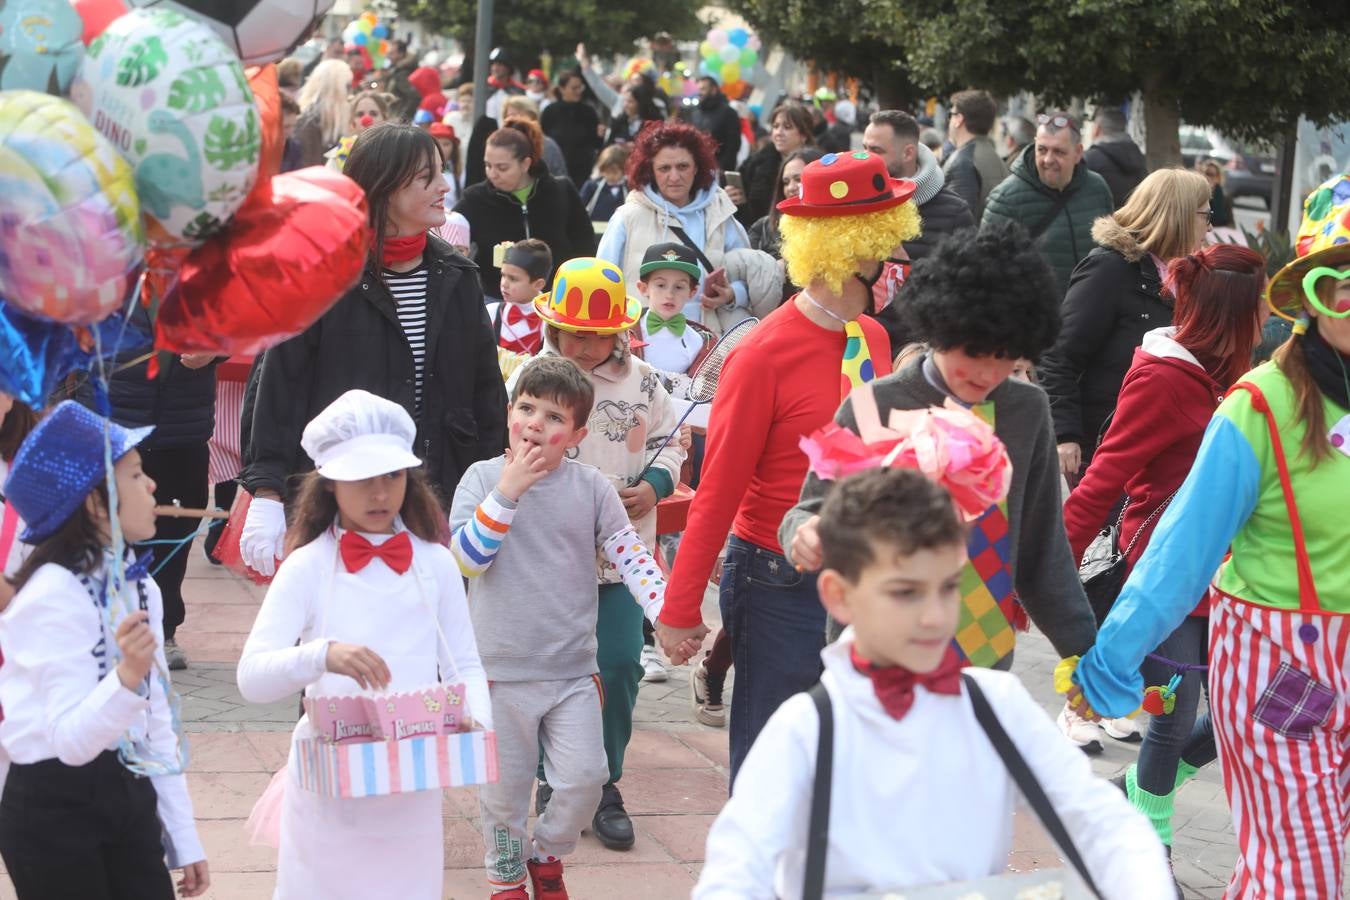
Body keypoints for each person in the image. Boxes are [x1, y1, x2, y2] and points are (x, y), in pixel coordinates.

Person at [696, 466, 1171, 898]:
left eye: (948, 587)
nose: (933, 616)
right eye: (905, 592)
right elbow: (736, 872)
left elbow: (1100, 822)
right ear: (839, 596)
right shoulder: (807, 729)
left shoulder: (996, 705)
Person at [1068, 172, 1350, 898]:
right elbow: (1177, 552)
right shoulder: (1259, 408)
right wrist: (1106, 663)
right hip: (1287, 671)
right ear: (1310, 296)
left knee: (1280, 871)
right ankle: (1147, 814)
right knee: (1300, 874)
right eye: (1341, 283)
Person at [779, 223, 1098, 750]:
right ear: (941, 325)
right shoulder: (874, 404)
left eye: (1007, 355)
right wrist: (807, 532)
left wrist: (1084, 653)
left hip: (979, 663)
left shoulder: (1026, 412)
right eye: (975, 351)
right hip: (873, 657)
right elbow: (809, 509)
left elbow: (1043, 552)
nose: (989, 371)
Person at [654, 152, 915, 780]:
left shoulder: (872, 339)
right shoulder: (762, 354)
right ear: (857, 250)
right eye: (891, 248)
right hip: (778, 581)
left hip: (861, 576)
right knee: (774, 768)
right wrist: (680, 607)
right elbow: (718, 488)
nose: (898, 266)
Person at [449, 357, 693, 898]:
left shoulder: (592, 489)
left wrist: (669, 616)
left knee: (586, 779)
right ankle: (506, 876)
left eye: (554, 416)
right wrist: (508, 493)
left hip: (573, 673)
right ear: (509, 413)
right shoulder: (482, 479)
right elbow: (466, 561)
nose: (537, 423)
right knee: (504, 795)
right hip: (499, 674)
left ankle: (548, 855)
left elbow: (632, 556)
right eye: (527, 408)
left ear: (577, 434)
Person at [236, 390, 489, 898]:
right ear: (330, 485)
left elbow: (463, 661)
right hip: (332, 785)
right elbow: (252, 678)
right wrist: (321, 655)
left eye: (392, 476)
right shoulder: (306, 566)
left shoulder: (435, 563)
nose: (379, 494)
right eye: (362, 479)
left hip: (411, 780)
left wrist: (477, 721)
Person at [1062, 244, 1266, 858]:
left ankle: (1127, 798)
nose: (1266, 319)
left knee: (1239, 712)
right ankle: (1149, 846)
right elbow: (1102, 480)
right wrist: (1038, 583)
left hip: (1227, 578)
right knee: (1174, 718)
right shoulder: (1162, 378)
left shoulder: (1238, 375)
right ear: (1234, 314)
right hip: (1163, 577)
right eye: (1257, 307)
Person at [240, 125, 508, 578]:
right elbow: (278, 385)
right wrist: (265, 492)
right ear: (384, 187)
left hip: (435, 495)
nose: (445, 188)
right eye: (428, 178)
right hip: (336, 495)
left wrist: (497, 485)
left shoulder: (457, 277)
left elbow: (486, 394)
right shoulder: (321, 275)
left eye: (442, 174)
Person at [504, 259, 685, 851]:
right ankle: (548, 781)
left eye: (595, 332)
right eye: (571, 331)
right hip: (546, 559)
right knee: (544, 671)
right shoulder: (529, 378)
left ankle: (605, 781)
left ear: (617, 331)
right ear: (553, 326)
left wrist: (654, 483)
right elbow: (508, 443)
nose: (582, 344)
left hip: (621, 559)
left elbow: (671, 441)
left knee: (618, 664)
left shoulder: (647, 383)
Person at [0, 402, 209, 899]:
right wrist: (127, 678)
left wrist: (181, 836)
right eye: (136, 475)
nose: (153, 486)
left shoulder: (143, 589)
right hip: (52, 807)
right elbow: (70, 742)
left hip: (128, 789)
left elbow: (157, 720)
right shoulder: (51, 594)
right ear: (96, 503)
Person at [1038, 168, 1213, 481]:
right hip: (1107, 448)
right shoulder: (1110, 269)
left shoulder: (1187, 275)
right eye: (1205, 214)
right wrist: (1065, 434)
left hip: (1161, 447)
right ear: (1179, 216)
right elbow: (1059, 356)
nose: (1209, 227)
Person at [80, 326, 218, 671]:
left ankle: (164, 629)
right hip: (113, 420)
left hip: (183, 424)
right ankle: (103, 626)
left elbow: (238, 320)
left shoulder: (205, 272)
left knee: (177, 529)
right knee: (104, 532)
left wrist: (215, 347)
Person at [597, 121, 761, 336]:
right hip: (639, 344)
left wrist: (732, 294)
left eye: (682, 166)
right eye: (664, 168)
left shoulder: (721, 216)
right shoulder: (626, 218)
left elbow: (748, 275)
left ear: (697, 168)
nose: (674, 177)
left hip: (706, 344)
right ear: (650, 171)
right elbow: (602, 282)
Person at [454, 118, 595, 301]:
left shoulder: (562, 191)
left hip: (557, 299)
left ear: (525, 164)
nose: (493, 174)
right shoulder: (474, 198)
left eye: (502, 167)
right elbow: (450, 237)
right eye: (488, 165)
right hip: (497, 300)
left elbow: (585, 245)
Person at [982, 111, 1115, 298]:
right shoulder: (1005, 198)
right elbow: (987, 270)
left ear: (1078, 153)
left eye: (1059, 151)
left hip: (1091, 313)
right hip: (1035, 320)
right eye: (1042, 149)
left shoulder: (1097, 188)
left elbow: (1111, 253)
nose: (1048, 160)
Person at [863, 110, 973, 263]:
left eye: (876, 151)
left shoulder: (955, 212)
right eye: (865, 148)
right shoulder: (857, 204)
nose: (866, 158)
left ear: (908, 153)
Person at [631, 242, 711, 377]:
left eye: (679, 287)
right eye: (661, 285)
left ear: (692, 292)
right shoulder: (624, 333)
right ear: (643, 288)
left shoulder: (697, 341)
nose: (669, 295)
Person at [737, 102, 815, 227]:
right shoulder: (756, 164)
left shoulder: (818, 166)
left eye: (787, 127)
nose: (779, 132)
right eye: (775, 126)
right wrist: (738, 201)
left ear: (803, 134)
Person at [942, 90, 1008, 220]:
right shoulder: (996, 158)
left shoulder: (962, 162)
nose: (949, 121)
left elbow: (958, 221)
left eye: (951, 115)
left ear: (959, 119)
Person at [487, 238, 551, 356]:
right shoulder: (490, 313)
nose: (504, 284)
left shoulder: (549, 324)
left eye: (513, 279)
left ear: (538, 284)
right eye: (503, 275)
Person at [540, 70, 603, 188]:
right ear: (562, 89)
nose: (578, 91)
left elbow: (596, 143)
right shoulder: (550, 111)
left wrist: (600, 135)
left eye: (580, 88)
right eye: (574, 88)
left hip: (583, 171)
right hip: (556, 171)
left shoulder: (588, 112)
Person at [293, 59, 353, 168]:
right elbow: (309, 167)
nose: (350, 92)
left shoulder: (338, 119)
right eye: (347, 86)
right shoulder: (309, 121)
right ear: (335, 88)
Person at [1085, 107, 1148, 210]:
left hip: (1100, 223)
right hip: (1132, 221)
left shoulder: (1089, 159)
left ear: (1097, 129)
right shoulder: (1139, 157)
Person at [501, 96, 570, 179]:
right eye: (512, 116)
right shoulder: (499, 146)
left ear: (533, 118)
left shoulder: (548, 146)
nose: (517, 121)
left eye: (522, 116)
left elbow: (561, 179)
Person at [326, 89, 391, 172]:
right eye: (360, 114)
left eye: (373, 113)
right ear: (353, 122)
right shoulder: (340, 155)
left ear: (385, 119)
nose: (367, 119)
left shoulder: (395, 152)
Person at [692, 76, 743, 174]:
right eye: (699, 89)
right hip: (698, 170)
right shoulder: (696, 113)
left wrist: (721, 168)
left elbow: (733, 145)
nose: (700, 93)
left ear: (714, 90)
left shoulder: (728, 113)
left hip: (719, 171)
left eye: (703, 89)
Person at [580, 144, 631, 224]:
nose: (610, 176)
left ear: (623, 169)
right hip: (596, 232)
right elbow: (579, 209)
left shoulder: (629, 187)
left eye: (614, 172)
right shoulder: (592, 186)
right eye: (607, 172)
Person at [604, 81, 664, 147]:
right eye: (625, 101)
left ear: (641, 103)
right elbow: (608, 146)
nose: (625, 105)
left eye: (630, 101)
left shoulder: (653, 124)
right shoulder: (619, 121)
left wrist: (635, 146)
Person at [384, 39, 422, 121]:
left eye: (392, 53)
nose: (388, 56)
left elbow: (415, 97)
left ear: (401, 54)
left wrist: (402, 119)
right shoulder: (395, 69)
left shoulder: (403, 73)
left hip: (398, 121)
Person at [429, 121, 462, 205]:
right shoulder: (421, 168)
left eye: (446, 144)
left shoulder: (460, 170)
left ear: (453, 147)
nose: (441, 148)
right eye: (436, 143)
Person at [1197, 158, 1232, 228]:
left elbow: (1230, 221)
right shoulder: (1198, 194)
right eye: (1207, 173)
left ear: (1218, 177)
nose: (1209, 177)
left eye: (1212, 174)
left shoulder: (1225, 196)